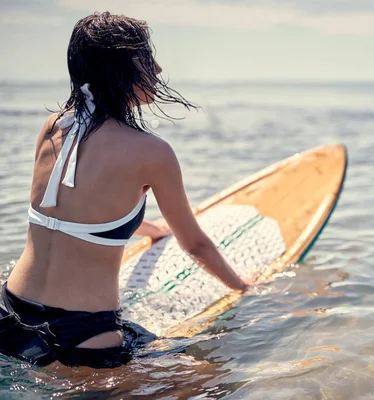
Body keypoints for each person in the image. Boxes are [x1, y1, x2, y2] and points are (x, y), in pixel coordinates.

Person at [0, 12, 250, 369]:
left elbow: (63, 212)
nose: (159, 69)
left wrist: (148, 229)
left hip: (10, 314)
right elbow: (195, 245)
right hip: (82, 333)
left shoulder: (55, 126)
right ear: (119, 69)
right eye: (147, 58)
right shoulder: (151, 152)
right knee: (217, 381)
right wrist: (243, 288)